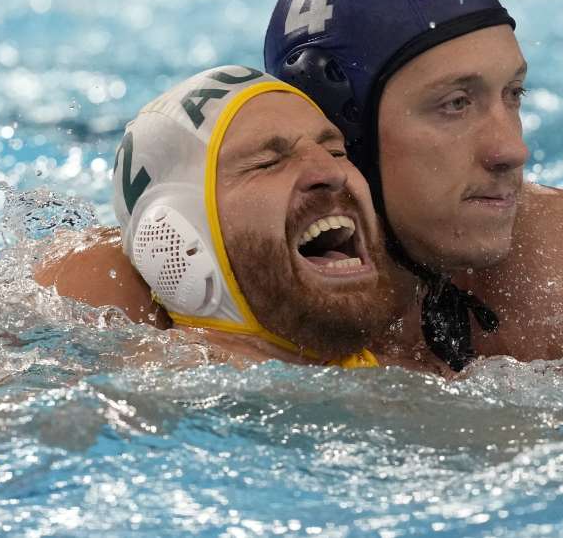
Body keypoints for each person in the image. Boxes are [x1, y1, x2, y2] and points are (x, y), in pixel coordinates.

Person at [264, 0, 563, 375]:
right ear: (341, 134)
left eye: (514, 93)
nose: (512, 151)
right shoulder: (241, 313)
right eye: (456, 103)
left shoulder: (559, 261)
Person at [34, 65, 442, 372]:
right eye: (268, 162)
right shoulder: (146, 402)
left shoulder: (418, 370)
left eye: (335, 151)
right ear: (178, 233)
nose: (332, 172)